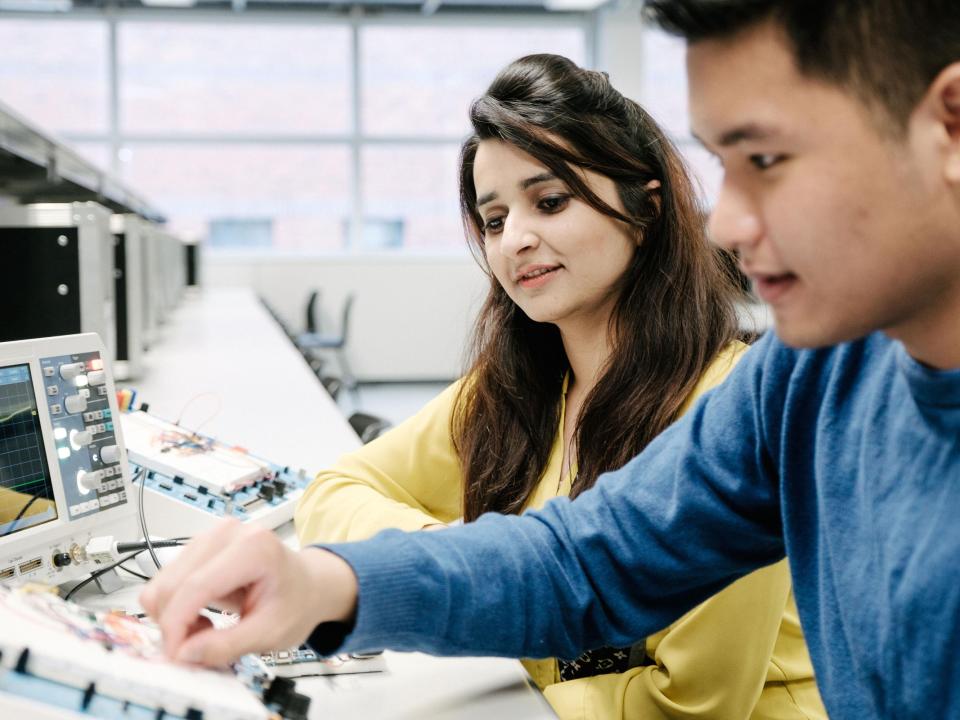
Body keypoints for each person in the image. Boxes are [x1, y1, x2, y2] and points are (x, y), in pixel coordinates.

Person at [140, 2, 960, 718]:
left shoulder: (756, 374)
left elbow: (687, 697)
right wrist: (326, 585)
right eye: (723, 166)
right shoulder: (809, 376)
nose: (724, 225)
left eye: (767, 161)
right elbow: (588, 559)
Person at [294, 54, 824, 720]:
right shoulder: (516, 387)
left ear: (645, 209)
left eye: (549, 201)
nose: (515, 238)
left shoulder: (726, 407)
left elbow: (692, 704)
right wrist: (479, 567)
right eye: (493, 220)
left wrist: (494, 605)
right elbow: (331, 496)